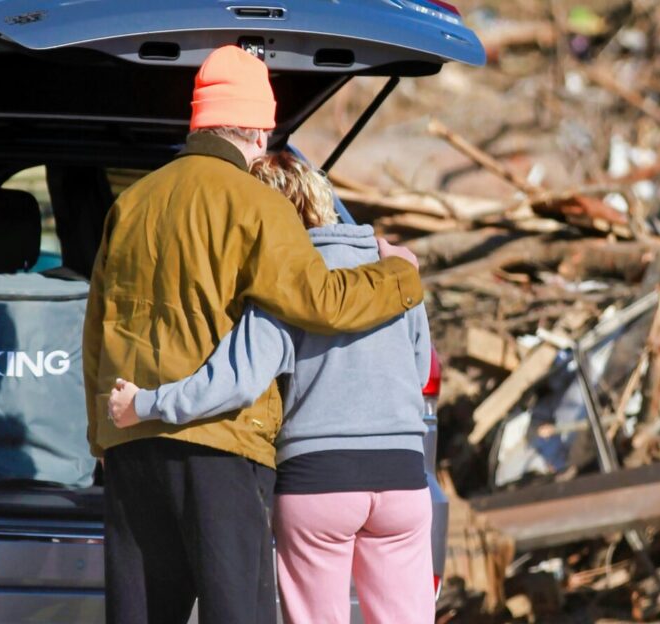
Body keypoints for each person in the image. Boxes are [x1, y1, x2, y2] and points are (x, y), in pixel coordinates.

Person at [82, 45, 424, 624]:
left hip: (132, 441)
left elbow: (97, 330)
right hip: (220, 444)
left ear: (199, 120)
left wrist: (102, 437)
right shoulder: (259, 205)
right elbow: (320, 301)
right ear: (261, 132)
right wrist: (401, 276)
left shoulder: (132, 202)